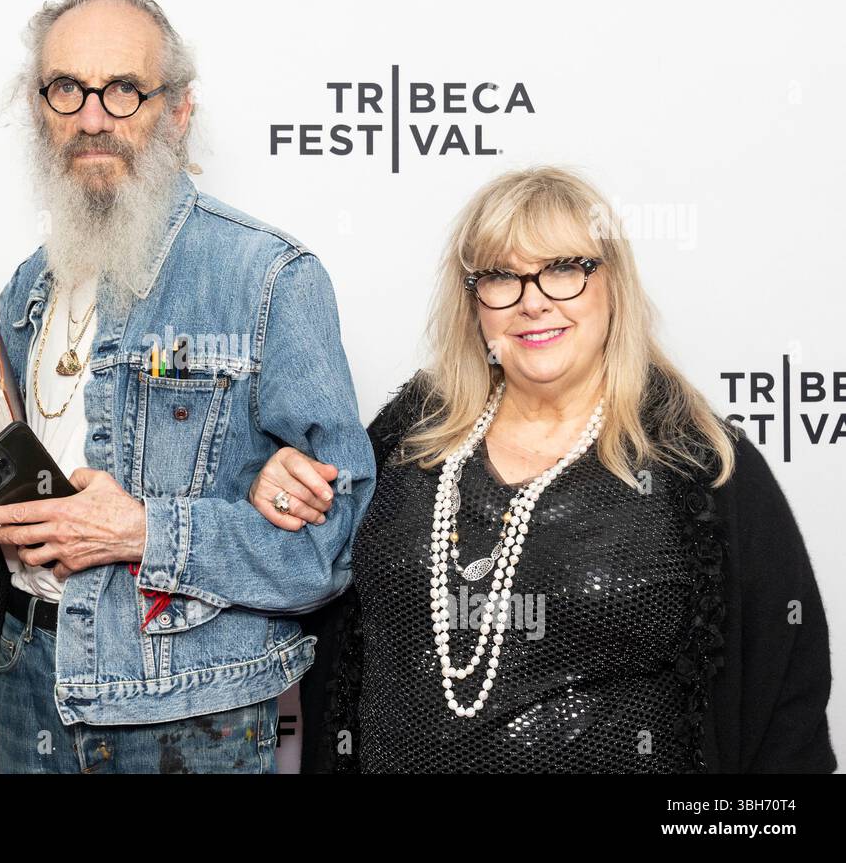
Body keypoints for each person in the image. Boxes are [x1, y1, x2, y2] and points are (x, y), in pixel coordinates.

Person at [249, 167, 837, 773]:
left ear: (613, 285)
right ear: (473, 299)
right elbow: (316, 584)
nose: (533, 301)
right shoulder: (408, 438)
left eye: (564, 269)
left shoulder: (699, 463)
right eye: (502, 277)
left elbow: (786, 703)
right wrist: (281, 492)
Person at [0, 0, 375, 773]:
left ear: (176, 112)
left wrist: (144, 531)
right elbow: (7, 474)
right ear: (39, 109)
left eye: (124, 90)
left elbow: (332, 543)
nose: (92, 116)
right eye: (67, 89)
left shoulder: (269, 277)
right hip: (22, 676)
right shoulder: (28, 287)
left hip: (185, 711)